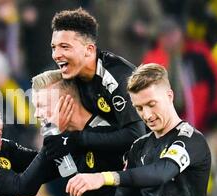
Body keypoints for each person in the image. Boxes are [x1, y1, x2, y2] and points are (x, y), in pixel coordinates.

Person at [65, 63, 211, 196]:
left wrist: (103, 177)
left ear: (169, 96)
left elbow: (161, 172)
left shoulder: (192, 140)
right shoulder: (139, 146)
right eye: (139, 108)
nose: (147, 115)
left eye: (151, 104)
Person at [49, 8, 146, 155]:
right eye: (53, 48)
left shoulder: (118, 76)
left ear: (89, 50)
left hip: (144, 159)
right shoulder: (70, 74)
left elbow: (136, 135)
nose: (56, 55)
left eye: (64, 47)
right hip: (102, 159)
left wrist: (77, 140)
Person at [32, 69, 125, 196]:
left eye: (41, 105)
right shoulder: (66, 138)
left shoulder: (109, 134)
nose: (36, 114)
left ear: (67, 101)